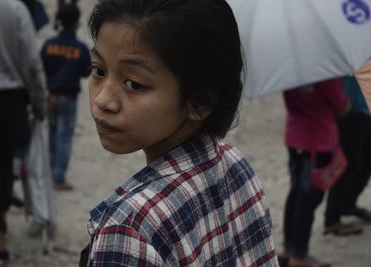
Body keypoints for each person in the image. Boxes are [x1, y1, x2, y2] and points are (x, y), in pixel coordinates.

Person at [79, 0, 279, 266]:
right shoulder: (236, 166)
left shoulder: (129, 231)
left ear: (201, 101)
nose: (103, 100)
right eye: (99, 70)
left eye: (133, 84)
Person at [0, 0, 47, 265]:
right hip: (12, 100)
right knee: (5, 163)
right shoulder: (14, 8)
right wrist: (39, 100)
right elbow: (30, 60)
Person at [279, 79, 350, 267]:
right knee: (307, 200)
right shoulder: (325, 72)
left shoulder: (290, 69)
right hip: (318, 141)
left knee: (295, 194)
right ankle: (299, 256)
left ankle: (289, 249)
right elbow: (341, 105)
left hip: (295, 137)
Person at [41, 3, 91, 190]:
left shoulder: (49, 45)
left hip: (51, 96)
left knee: (52, 133)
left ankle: (50, 171)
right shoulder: (80, 48)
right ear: (77, 22)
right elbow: (86, 72)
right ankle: (59, 177)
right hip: (69, 98)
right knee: (64, 136)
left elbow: (39, 68)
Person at [324, 76, 371, 235]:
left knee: (365, 164)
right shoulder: (353, 54)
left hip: (365, 110)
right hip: (351, 111)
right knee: (347, 164)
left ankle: (348, 203)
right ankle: (332, 218)